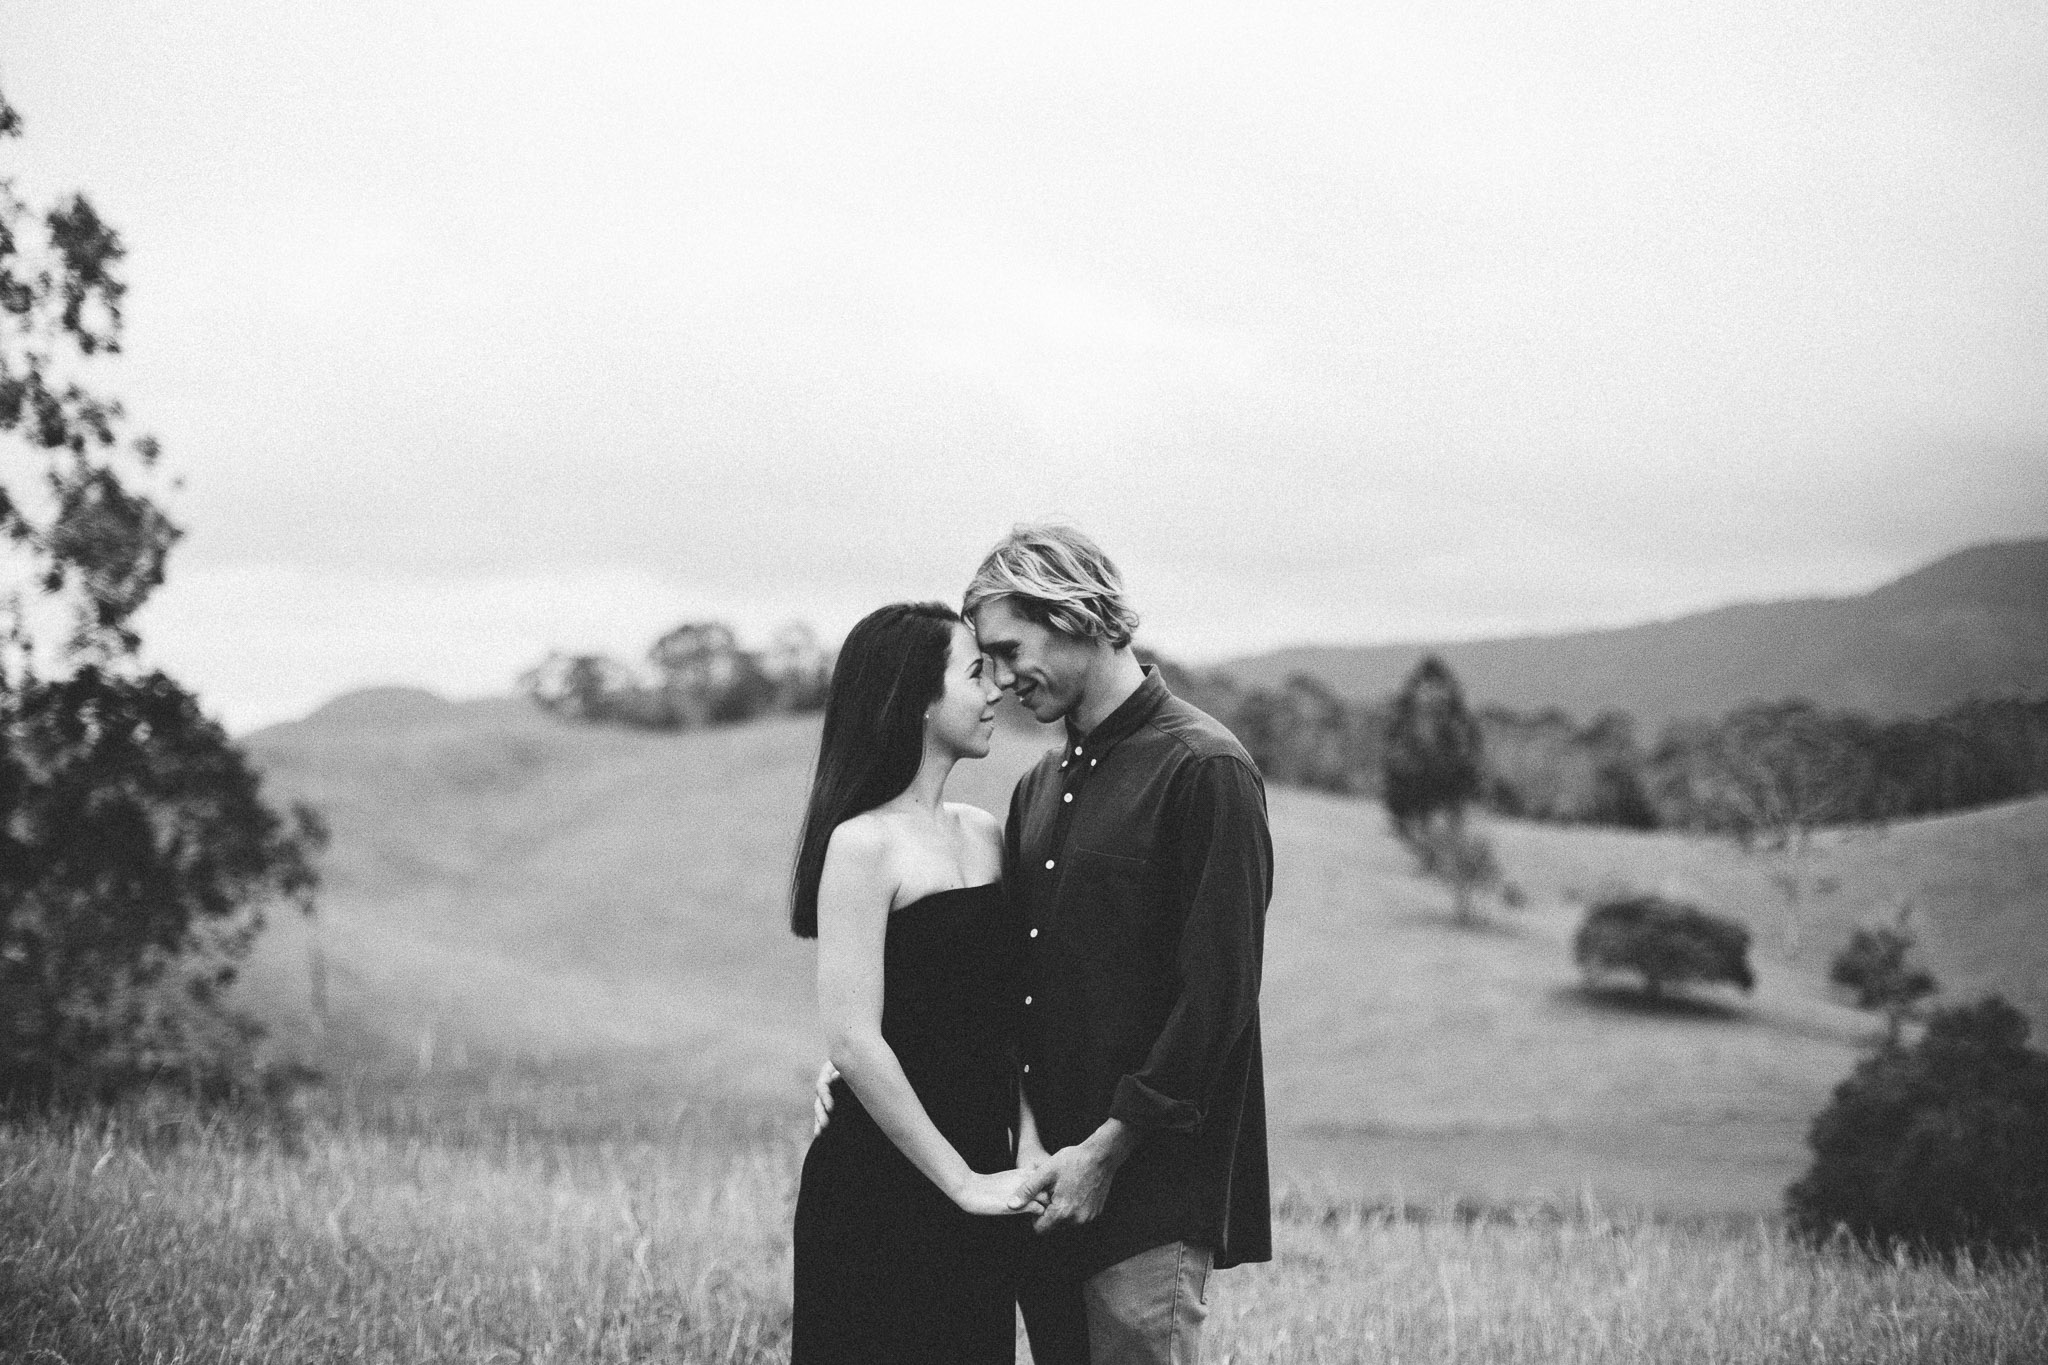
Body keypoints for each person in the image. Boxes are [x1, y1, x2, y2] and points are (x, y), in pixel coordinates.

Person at [819, 525, 1275, 1364]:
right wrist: (862, 1053)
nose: (998, 678)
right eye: (983, 662)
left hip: (1144, 1197)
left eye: (1006, 649)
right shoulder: (1035, 790)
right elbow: (991, 981)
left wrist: (1106, 1150)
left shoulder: (1204, 769)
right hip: (1037, 1193)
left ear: (1071, 614)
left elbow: (1217, 1000)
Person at [788, 601, 1047, 1365]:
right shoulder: (862, 845)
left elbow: (1014, 1013)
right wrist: (961, 1180)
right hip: (879, 1187)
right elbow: (852, 1040)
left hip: (985, 1175)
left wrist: (1026, 1145)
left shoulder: (987, 832)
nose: (996, 689)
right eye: (975, 673)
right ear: (917, 699)